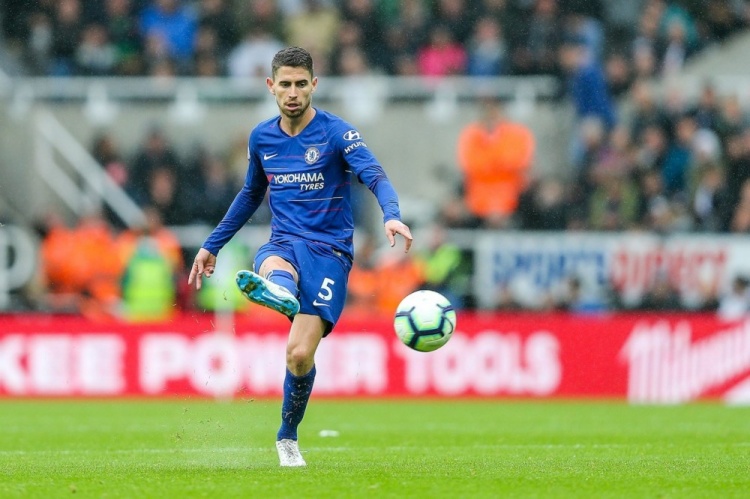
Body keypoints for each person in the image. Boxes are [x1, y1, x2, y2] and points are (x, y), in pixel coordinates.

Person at [188, 47, 412, 467]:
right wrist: (212, 244)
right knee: (273, 261)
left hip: (329, 254)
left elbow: (374, 175)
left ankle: (287, 435)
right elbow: (250, 194)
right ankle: (280, 290)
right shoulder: (262, 138)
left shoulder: (337, 133)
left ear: (314, 85)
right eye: (285, 84)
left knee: (298, 355)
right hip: (285, 242)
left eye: (301, 84)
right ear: (271, 86)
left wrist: (392, 214)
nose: (293, 93)